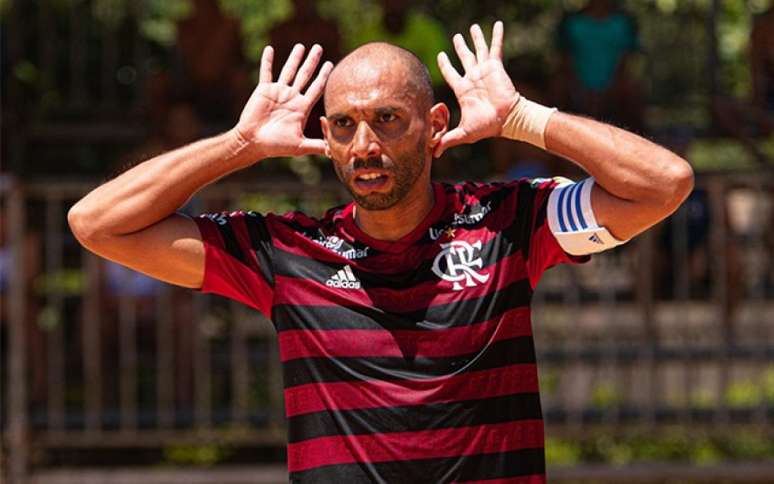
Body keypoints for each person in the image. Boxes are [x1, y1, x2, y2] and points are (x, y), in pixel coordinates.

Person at [69, 22, 694, 482]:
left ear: (436, 124)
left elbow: (663, 184)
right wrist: (241, 145)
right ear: (326, 138)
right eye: (343, 125)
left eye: (389, 119)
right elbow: (97, 224)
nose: (365, 143)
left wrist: (522, 117)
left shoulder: (509, 221)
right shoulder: (284, 252)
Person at [554, 0, 644, 132]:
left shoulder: (623, 22)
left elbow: (625, 60)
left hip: (615, 85)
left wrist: (612, 87)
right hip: (575, 85)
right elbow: (565, 59)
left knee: (635, 99)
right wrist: (578, 88)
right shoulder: (572, 23)